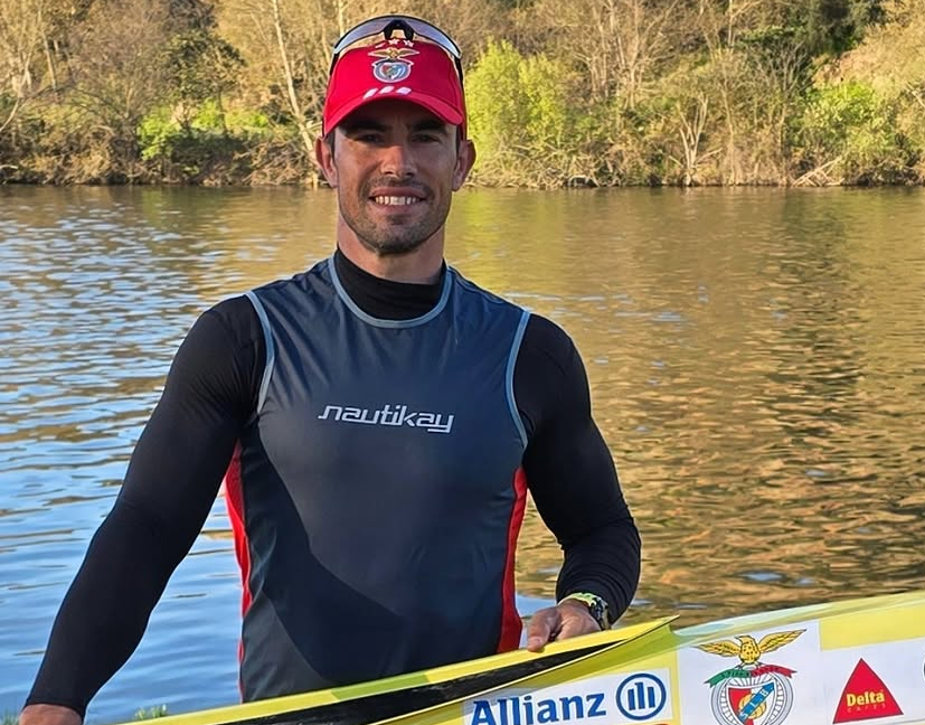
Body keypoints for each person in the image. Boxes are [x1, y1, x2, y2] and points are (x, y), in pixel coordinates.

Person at [20, 16, 640, 725]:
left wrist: (586, 603)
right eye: (370, 133)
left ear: (462, 160)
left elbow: (603, 532)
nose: (397, 162)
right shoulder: (243, 339)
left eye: (424, 135)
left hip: (474, 714)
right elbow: (149, 526)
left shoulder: (530, 353)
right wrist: (57, 697)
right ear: (327, 156)